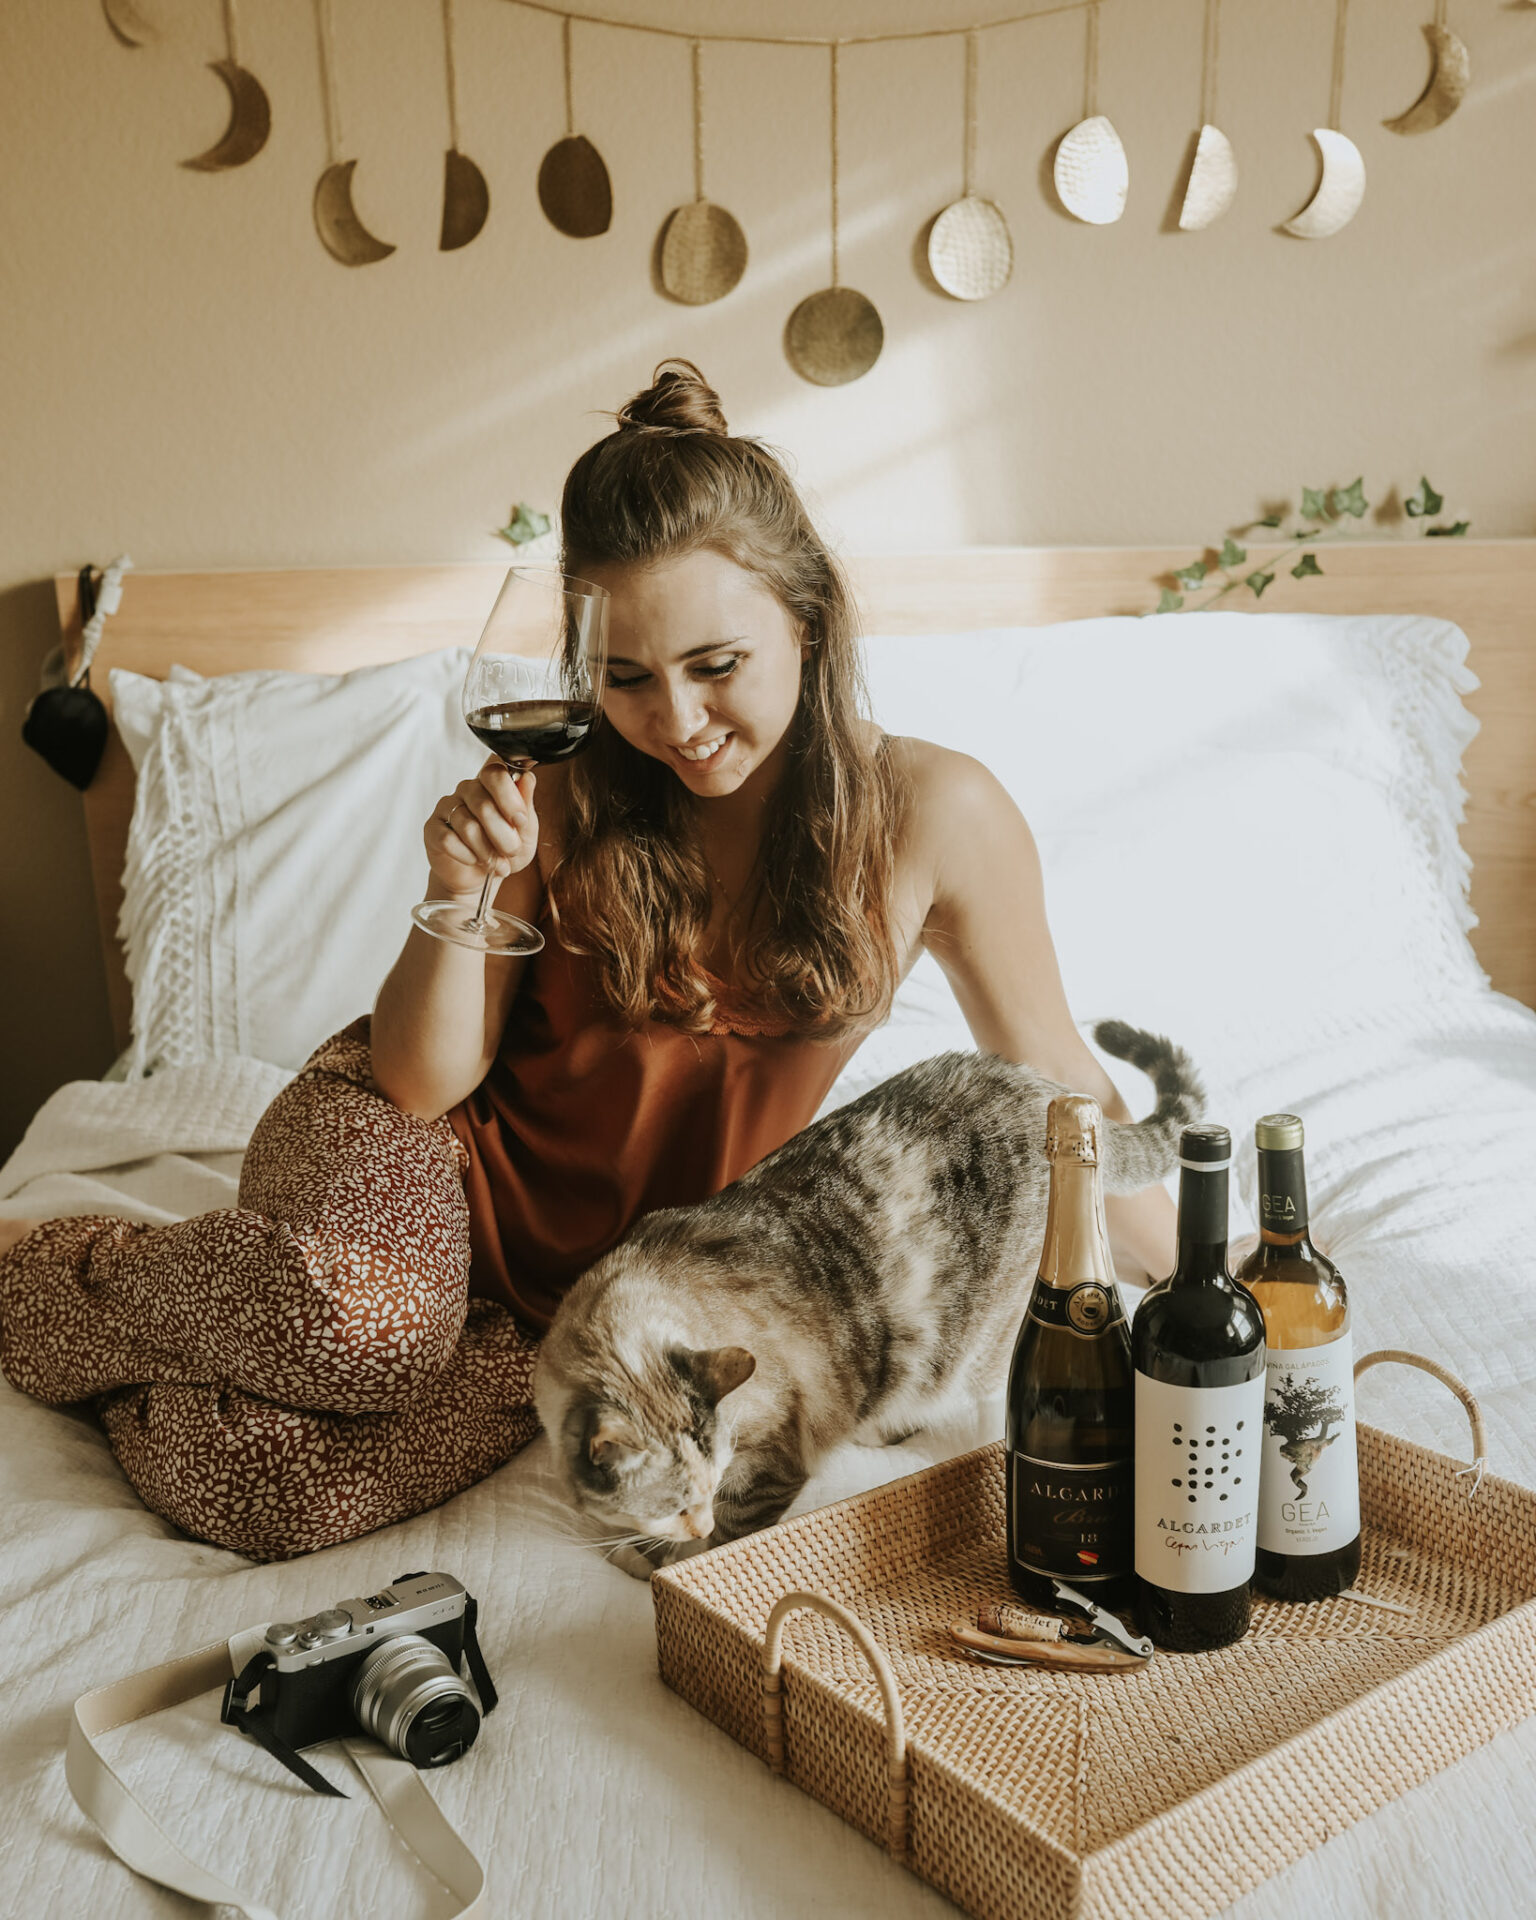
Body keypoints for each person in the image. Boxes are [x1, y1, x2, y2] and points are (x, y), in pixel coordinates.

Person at [0, 362, 1174, 1560]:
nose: (675, 721)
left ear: (806, 622)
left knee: (277, 1494)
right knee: (375, 1334)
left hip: (578, 1305)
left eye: (717, 665)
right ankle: (62, 1268)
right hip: (414, 1154)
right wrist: (456, 893)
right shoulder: (554, 797)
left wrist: (1209, 1280)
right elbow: (417, 1080)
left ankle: (139, 1358)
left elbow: (1055, 1089)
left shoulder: (940, 815)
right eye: (625, 679)